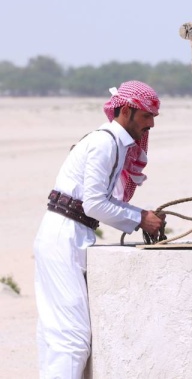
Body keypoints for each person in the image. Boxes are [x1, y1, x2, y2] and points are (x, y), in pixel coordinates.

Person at [34, 80, 166, 378]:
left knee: (58, 335)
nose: (151, 126)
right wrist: (140, 219)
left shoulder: (112, 143)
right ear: (128, 111)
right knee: (71, 340)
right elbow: (95, 204)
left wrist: (141, 215)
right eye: (147, 116)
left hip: (68, 233)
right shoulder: (105, 143)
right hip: (63, 236)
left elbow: (101, 201)